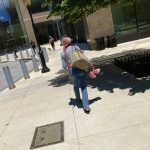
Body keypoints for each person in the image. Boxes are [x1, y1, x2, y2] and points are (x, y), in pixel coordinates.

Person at [60, 36, 91, 114]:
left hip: (72, 71)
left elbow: (64, 66)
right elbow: (82, 56)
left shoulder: (62, 53)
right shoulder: (75, 47)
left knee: (75, 85)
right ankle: (86, 107)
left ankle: (78, 99)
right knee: (83, 87)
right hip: (80, 68)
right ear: (70, 42)